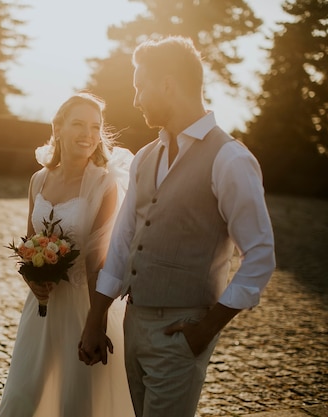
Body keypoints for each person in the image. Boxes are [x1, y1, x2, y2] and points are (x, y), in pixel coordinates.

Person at [78, 36, 276, 417]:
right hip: (133, 323)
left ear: (167, 84)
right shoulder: (146, 157)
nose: (135, 100)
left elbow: (260, 254)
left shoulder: (230, 159)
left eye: (140, 87)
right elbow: (122, 242)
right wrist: (96, 318)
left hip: (182, 330)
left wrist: (207, 328)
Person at [0, 92, 135, 417]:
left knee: (77, 402)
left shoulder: (105, 185)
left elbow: (98, 262)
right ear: (58, 127)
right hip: (41, 308)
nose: (88, 134)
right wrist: (32, 279)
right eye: (78, 124)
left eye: (95, 126)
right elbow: (29, 244)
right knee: (23, 394)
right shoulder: (39, 179)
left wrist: (95, 322)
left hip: (84, 306)